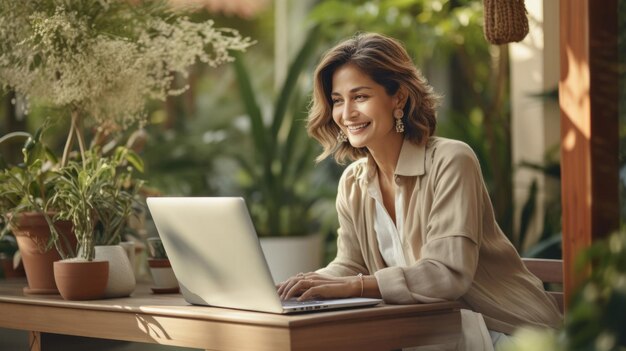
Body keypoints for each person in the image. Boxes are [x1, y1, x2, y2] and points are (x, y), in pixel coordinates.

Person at [276, 33, 561, 350]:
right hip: (427, 330)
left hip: (503, 330)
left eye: (360, 97)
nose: (346, 114)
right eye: (338, 100)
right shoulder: (354, 182)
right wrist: (304, 286)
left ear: (397, 97)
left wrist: (350, 287)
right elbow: (350, 265)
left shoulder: (452, 160)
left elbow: (446, 274)